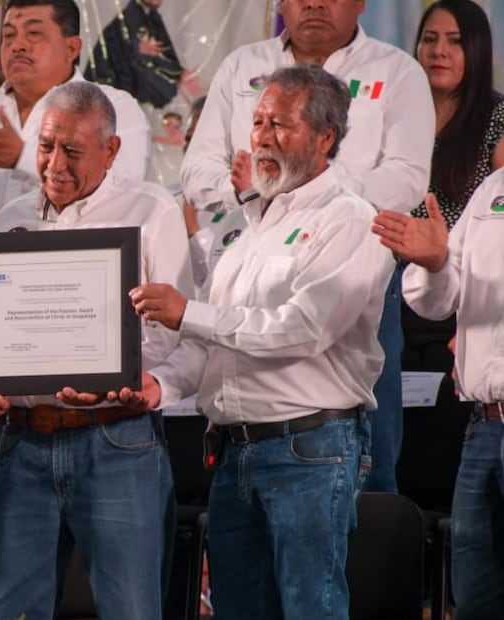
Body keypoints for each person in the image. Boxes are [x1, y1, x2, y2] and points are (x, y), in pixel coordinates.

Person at [133, 65, 393, 619]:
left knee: (310, 609)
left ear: (324, 137)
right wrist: (160, 384)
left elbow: (303, 328)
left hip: (309, 449)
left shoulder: (349, 220)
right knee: (238, 610)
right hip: (233, 451)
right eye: (257, 122)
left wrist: (188, 312)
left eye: (281, 124)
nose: (263, 138)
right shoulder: (241, 224)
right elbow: (210, 340)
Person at [0, 81, 193, 619]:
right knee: (11, 610)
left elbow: (186, 338)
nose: (55, 164)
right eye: (45, 146)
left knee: (131, 610)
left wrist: (154, 386)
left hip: (117, 439)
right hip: (23, 440)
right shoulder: (12, 216)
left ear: (111, 150)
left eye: (73, 150)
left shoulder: (151, 211)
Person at [180, 0, 435, 493]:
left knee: (368, 449)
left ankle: (365, 538)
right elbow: (197, 170)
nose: (313, 3)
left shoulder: (396, 70)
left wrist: (306, 189)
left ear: (361, 3)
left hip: (352, 261)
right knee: (247, 422)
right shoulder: (241, 64)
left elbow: (406, 179)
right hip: (252, 256)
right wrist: (253, 190)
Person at [373, 183, 504, 620]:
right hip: (483, 425)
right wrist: (436, 264)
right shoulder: (494, 190)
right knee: (475, 598)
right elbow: (437, 302)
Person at [0, 0, 151, 235]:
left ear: (72, 48)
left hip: (76, 256)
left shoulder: (113, 107)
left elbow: (123, 195)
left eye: (34, 33)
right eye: (8, 35)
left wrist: (23, 157)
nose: (17, 45)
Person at [402, 0, 504, 421]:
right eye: (429, 39)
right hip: (393, 285)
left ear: (477, 49)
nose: (438, 51)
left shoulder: (497, 117)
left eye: (454, 41)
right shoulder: (398, 117)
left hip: (460, 293)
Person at [85, 0, 191, 109]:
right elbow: (141, 61)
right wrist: (177, 79)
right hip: (105, 97)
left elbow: (163, 53)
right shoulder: (133, 18)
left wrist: (179, 75)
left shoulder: (149, 16)